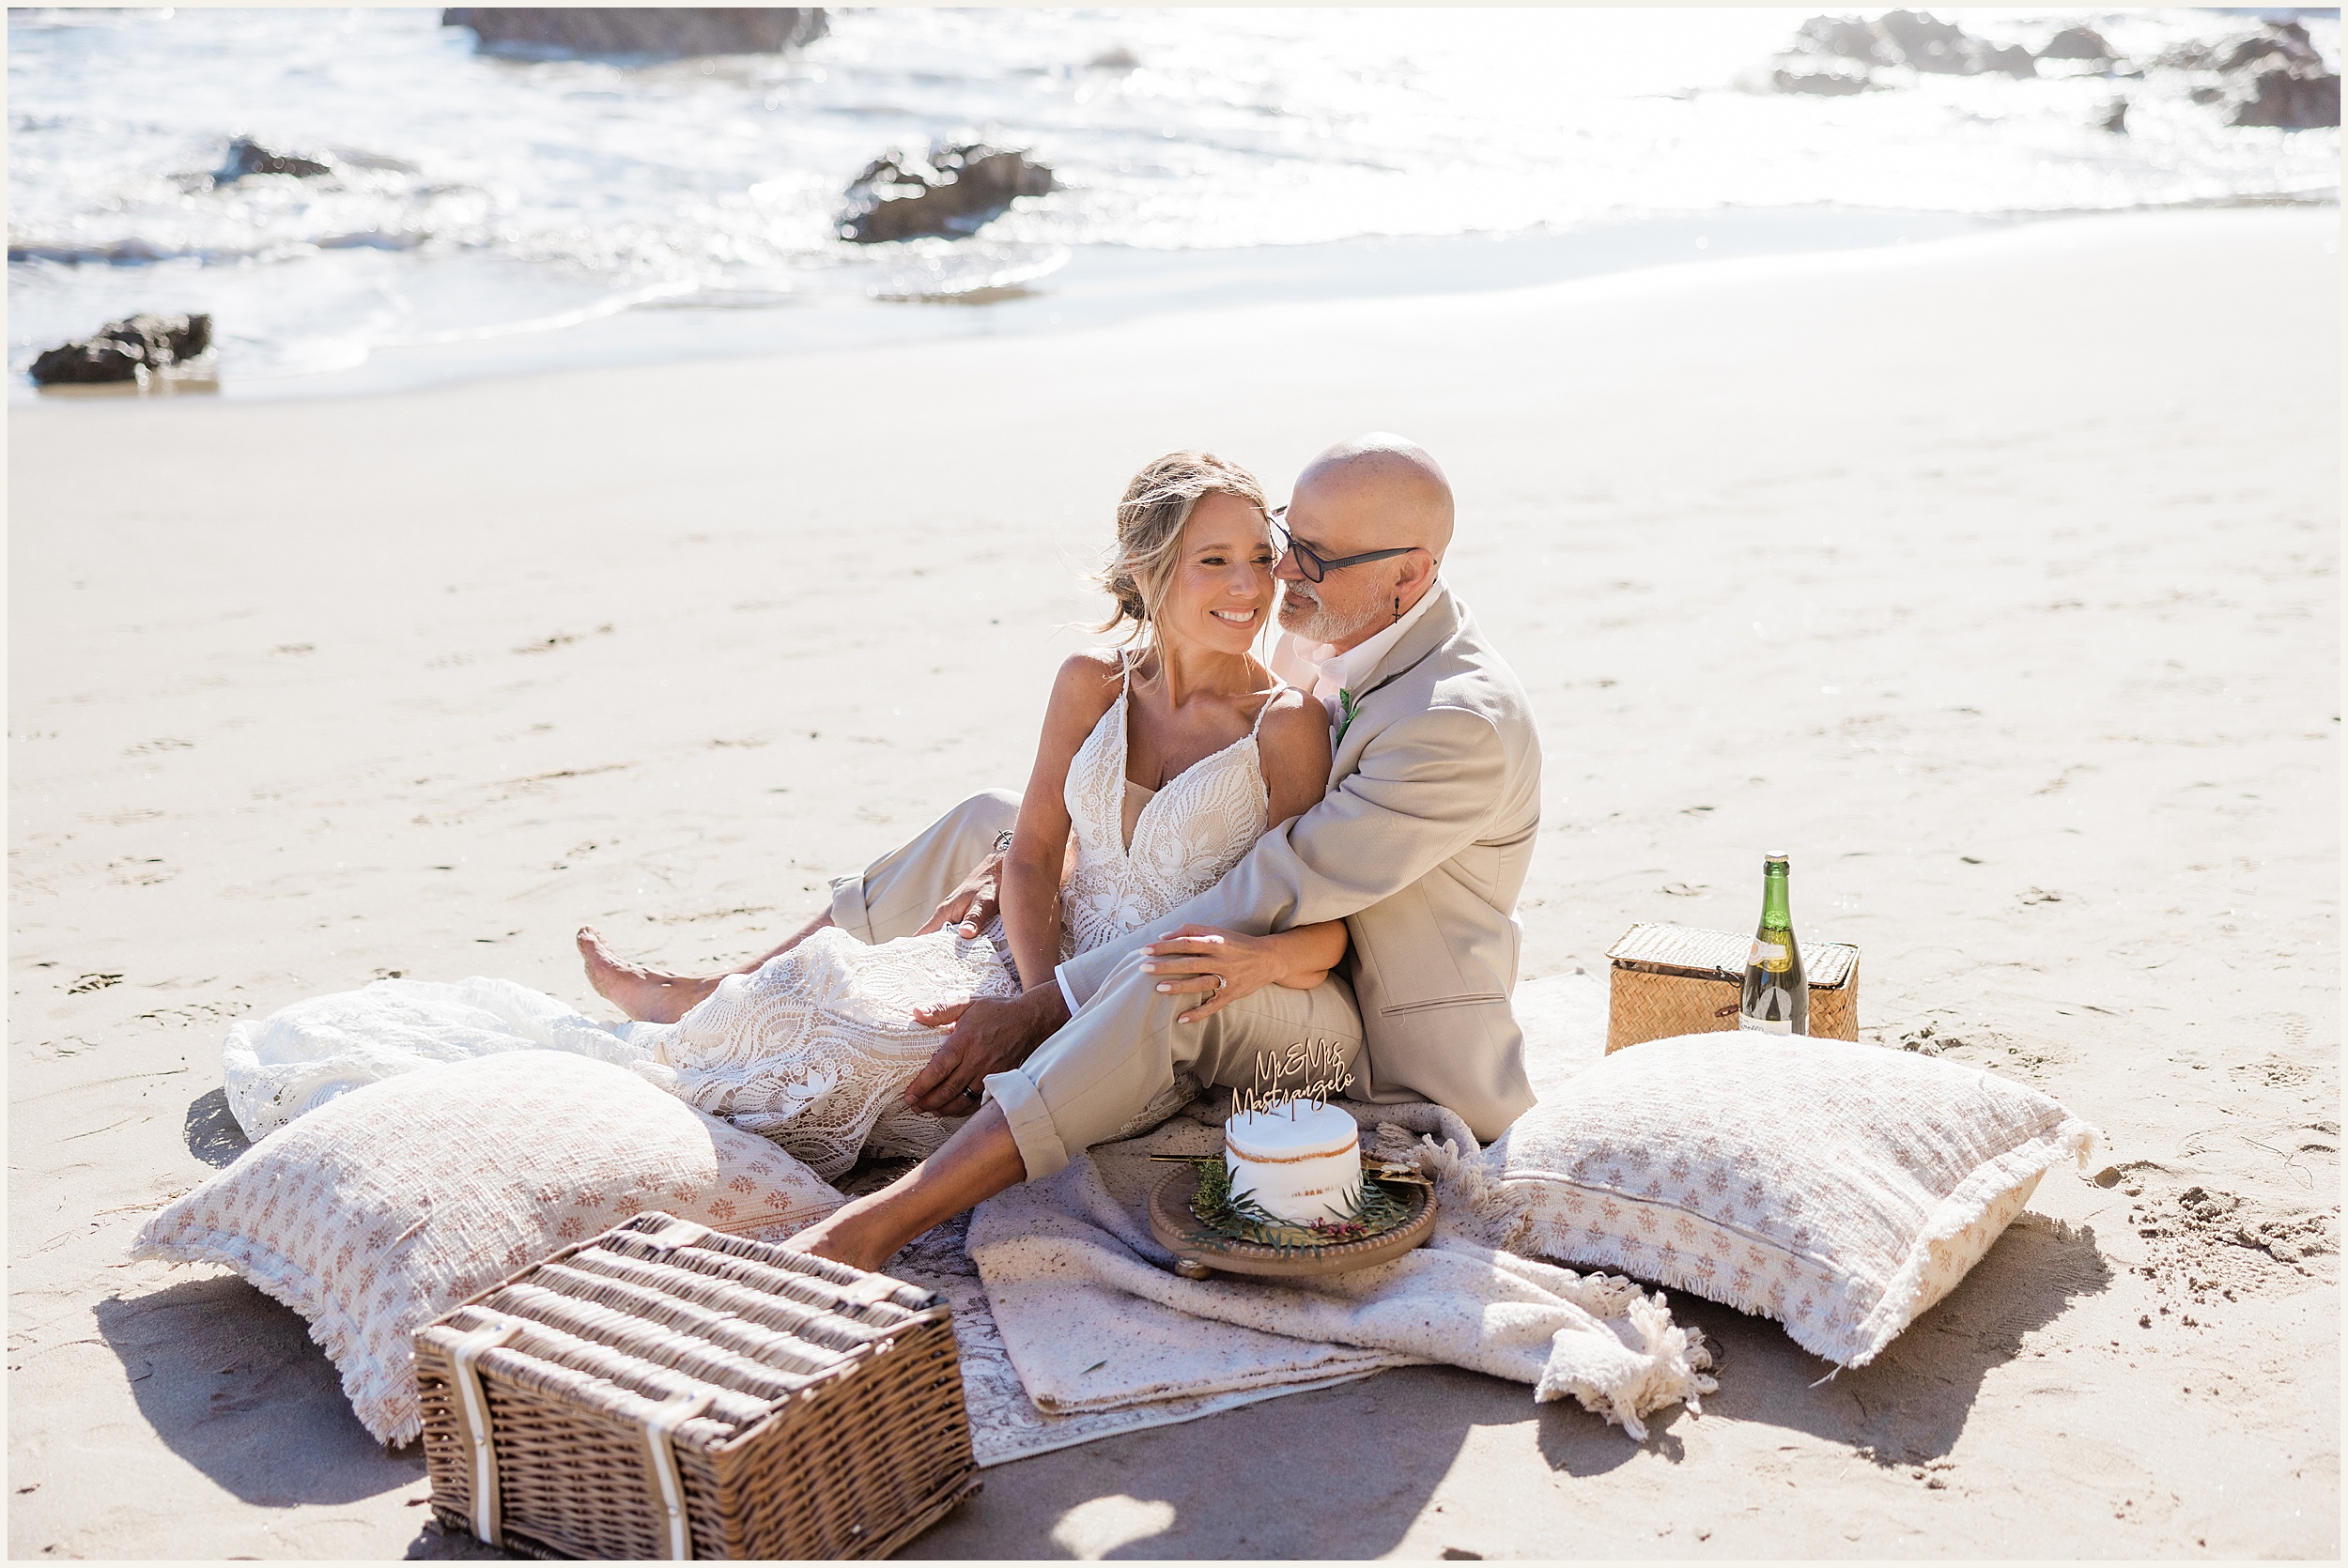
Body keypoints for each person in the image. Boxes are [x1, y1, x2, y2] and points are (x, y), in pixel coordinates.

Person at [220, 451, 1349, 1179]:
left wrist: (1053, 1012)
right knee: (824, 993)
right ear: (1150, 572)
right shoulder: (1090, 681)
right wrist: (1020, 974)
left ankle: (682, 1041)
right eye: (1214, 558)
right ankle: (683, 1023)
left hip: (1132, 1009)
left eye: (1259, 556)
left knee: (859, 1051)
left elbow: (1306, 918)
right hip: (1023, 960)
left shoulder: (1282, 726)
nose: (1247, 584)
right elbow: (1040, 849)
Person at [692, 432, 1546, 1269]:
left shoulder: (1453, 725)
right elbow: (1097, 823)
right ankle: (727, 991)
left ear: (1410, 574)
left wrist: (1047, 1005)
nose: (1279, 575)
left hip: (1374, 1034)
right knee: (986, 832)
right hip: (1238, 929)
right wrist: (1022, 863)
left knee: (1165, 972)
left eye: (1310, 559)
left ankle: (880, 1223)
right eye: (1291, 541)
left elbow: (1281, 884)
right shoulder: (1317, 627)